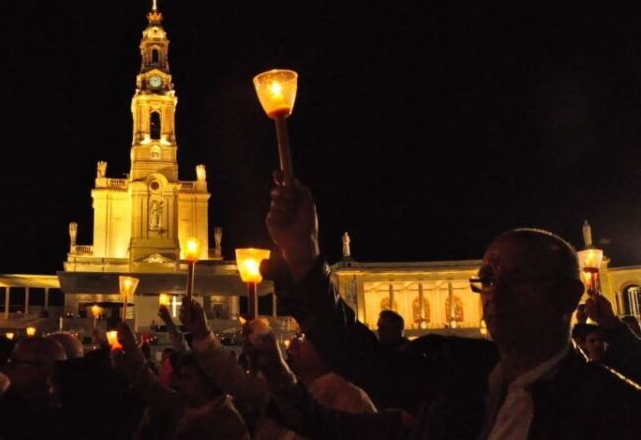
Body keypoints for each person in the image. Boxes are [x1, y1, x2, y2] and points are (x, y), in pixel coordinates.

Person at [259, 173, 640, 439]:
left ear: (569, 296)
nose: (496, 294)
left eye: (519, 279)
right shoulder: (456, 375)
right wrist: (302, 253)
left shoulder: (613, 409)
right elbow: (360, 359)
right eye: (488, 280)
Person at [179, 296, 375, 439]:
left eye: (304, 337)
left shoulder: (351, 401)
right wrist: (202, 333)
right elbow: (235, 380)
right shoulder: (281, 389)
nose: (294, 344)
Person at [113, 322, 250, 440]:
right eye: (180, 375)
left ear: (208, 380)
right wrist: (131, 351)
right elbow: (151, 387)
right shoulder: (182, 403)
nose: (179, 382)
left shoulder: (227, 424)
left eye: (187, 377)